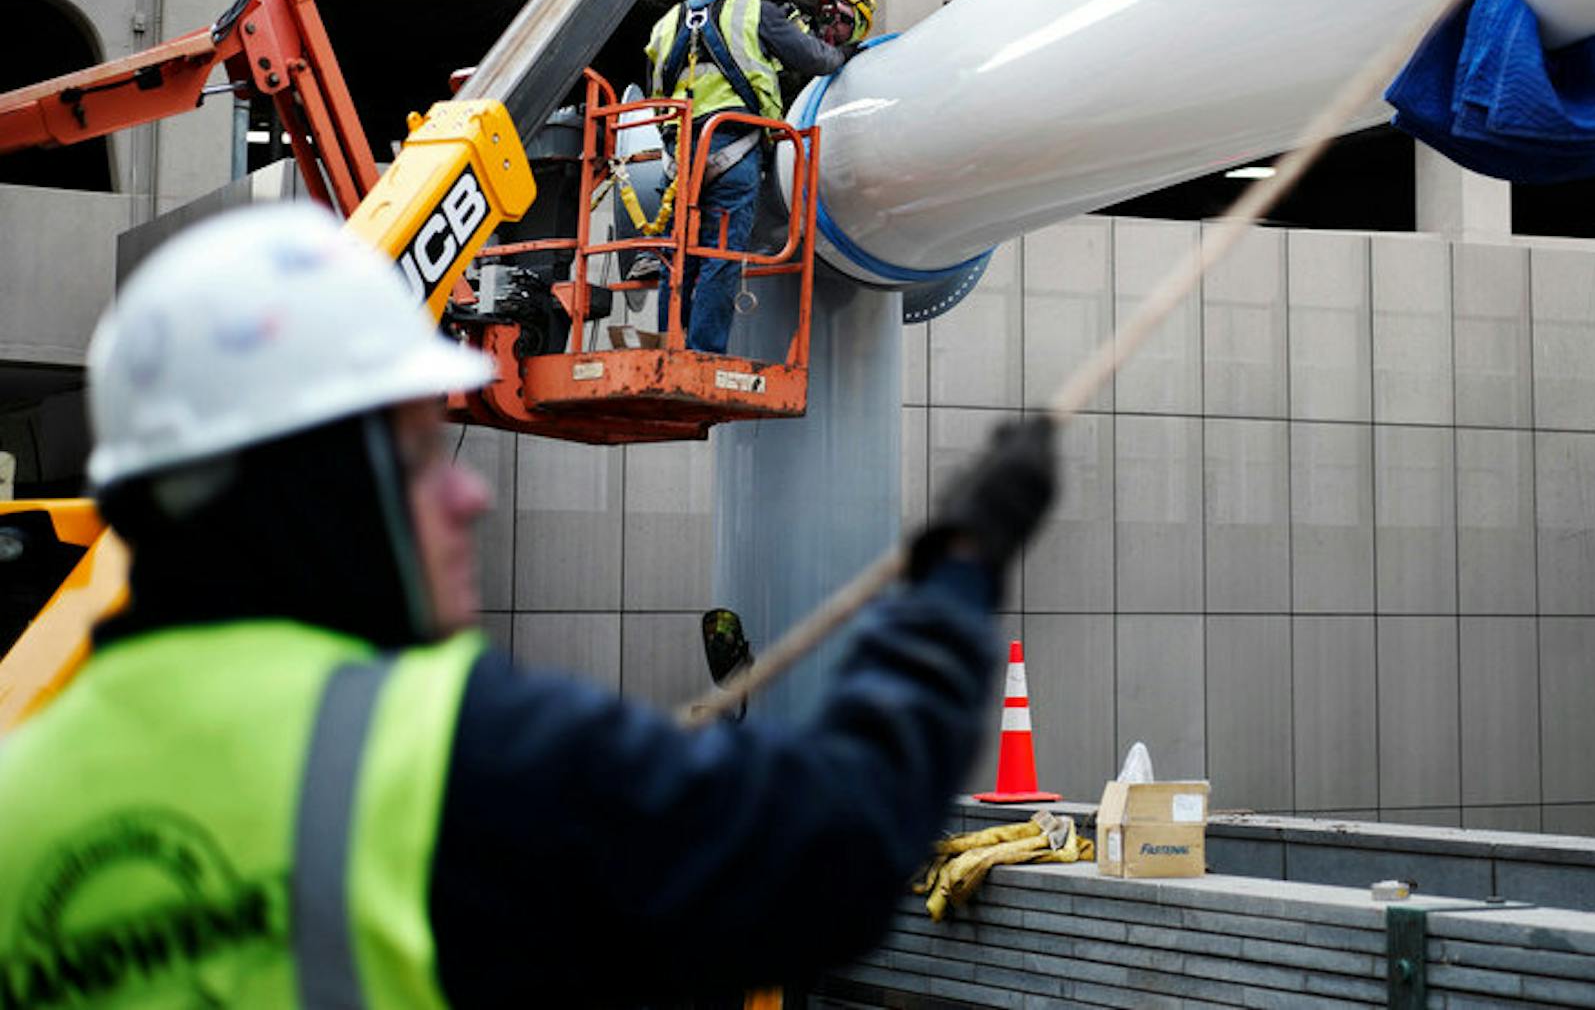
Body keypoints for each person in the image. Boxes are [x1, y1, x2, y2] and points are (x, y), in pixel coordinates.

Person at [0, 202, 1053, 1007]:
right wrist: (958, 569)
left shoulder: (23, 794)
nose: (469, 490)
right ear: (315, 481)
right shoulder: (432, 749)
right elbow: (835, 847)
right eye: (417, 453)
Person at [644, 0, 870, 354]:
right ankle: (704, 352)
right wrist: (844, 54)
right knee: (720, 254)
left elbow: (655, 95)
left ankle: (668, 347)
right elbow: (815, 58)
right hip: (733, 150)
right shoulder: (753, 13)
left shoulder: (665, 24)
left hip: (678, 156)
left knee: (676, 256)